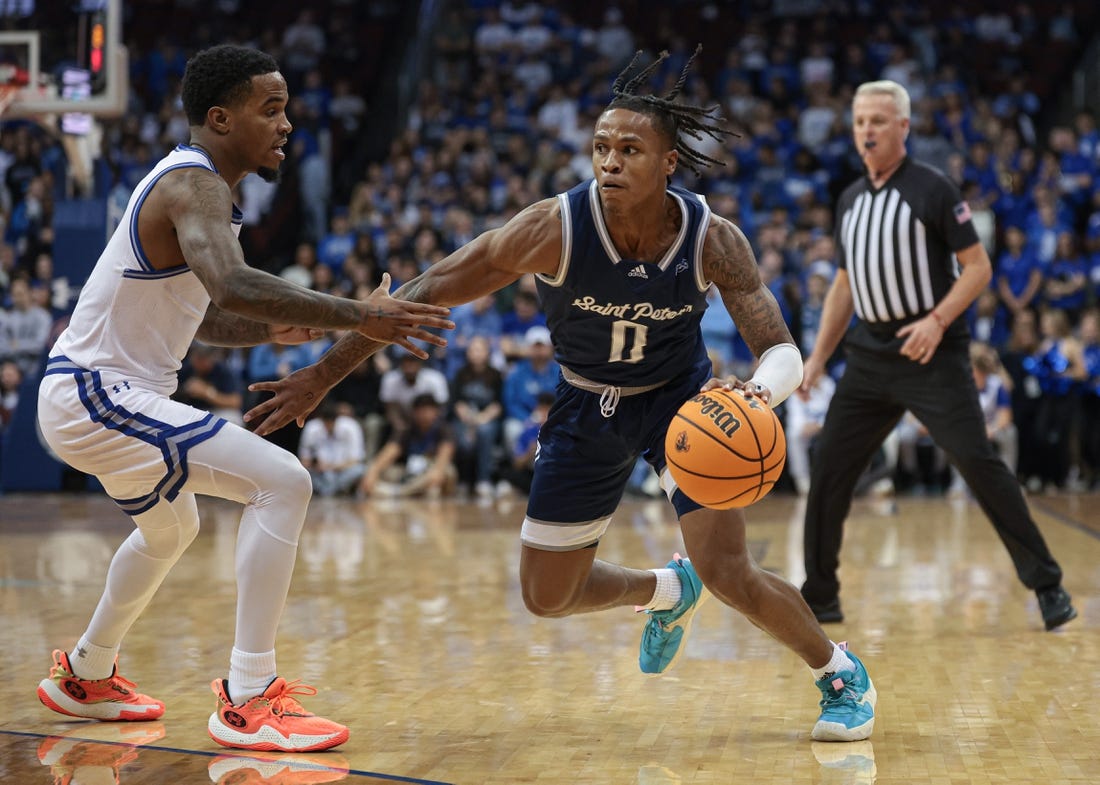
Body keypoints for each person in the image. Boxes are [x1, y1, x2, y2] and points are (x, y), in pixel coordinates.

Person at [248, 49, 877, 743]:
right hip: (585, 403)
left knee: (729, 568)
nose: (609, 161)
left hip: (682, 403)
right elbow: (422, 293)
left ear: (669, 162)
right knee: (546, 595)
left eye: (630, 149)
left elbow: (781, 346)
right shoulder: (552, 228)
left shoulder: (712, 239)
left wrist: (759, 394)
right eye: (602, 146)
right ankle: (667, 591)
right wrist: (320, 374)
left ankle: (840, 672)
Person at [33, 45, 452, 751]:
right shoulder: (194, 184)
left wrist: (274, 329)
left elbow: (207, 310)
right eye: (272, 109)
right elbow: (231, 284)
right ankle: (248, 697)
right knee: (284, 481)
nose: (286, 124)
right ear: (220, 119)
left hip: (94, 396)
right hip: (96, 390)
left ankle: (85, 672)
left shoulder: (203, 193)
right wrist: (357, 313)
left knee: (173, 529)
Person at [797, 80, 1076, 631]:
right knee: (830, 466)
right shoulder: (850, 200)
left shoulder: (934, 189)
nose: (867, 130)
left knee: (978, 462)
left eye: (878, 120)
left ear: (903, 127)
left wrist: (937, 319)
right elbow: (846, 286)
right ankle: (820, 595)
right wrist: (818, 357)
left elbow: (978, 269)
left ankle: (1047, 584)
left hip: (933, 352)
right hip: (871, 355)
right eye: (859, 122)